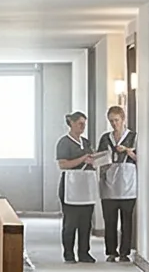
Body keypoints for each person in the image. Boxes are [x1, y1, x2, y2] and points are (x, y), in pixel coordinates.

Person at [53, 111, 100, 262]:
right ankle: (68, 253)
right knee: (70, 222)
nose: (82, 126)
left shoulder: (86, 142)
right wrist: (82, 159)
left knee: (85, 222)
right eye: (80, 123)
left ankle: (84, 252)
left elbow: (90, 159)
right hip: (70, 185)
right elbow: (63, 164)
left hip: (86, 185)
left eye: (84, 124)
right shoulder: (64, 142)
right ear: (71, 123)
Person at [94, 105, 139, 263]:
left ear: (123, 119)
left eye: (117, 120)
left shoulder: (134, 137)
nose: (114, 124)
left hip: (128, 182)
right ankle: (111, 251)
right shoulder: (105, 138)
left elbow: (140, 158)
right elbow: (99, 159)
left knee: (127, 220)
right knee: (110, 219)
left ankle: (124, 252)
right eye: (111, 121)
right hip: (109, 182)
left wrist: (127, 150)